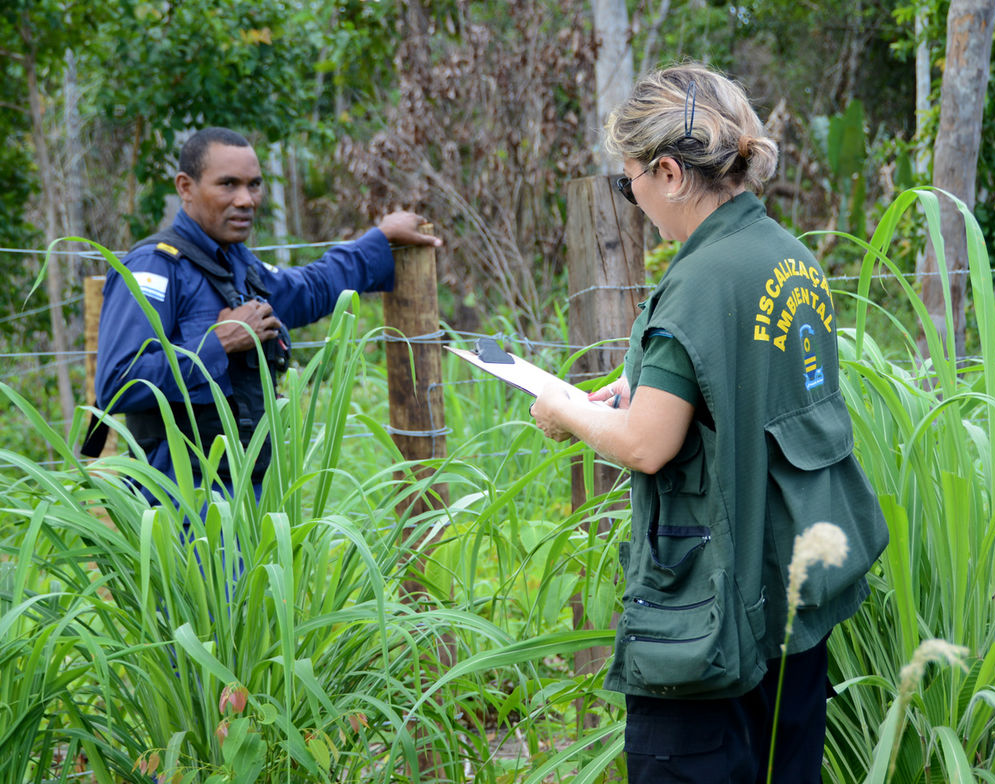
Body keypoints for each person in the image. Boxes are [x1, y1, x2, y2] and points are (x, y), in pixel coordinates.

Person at [530, 64, 888, 782]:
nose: (632, 199)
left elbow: (646, 443)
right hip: (790, 611)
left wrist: (565, 410)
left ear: (667, 171)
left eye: (628, 179)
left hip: (707, 621)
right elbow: (748, 382)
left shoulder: (698, 280)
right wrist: (641, 382)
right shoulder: (789, 257)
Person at [89, 127, 441, 494]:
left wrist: (380, 239)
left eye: (254, 185)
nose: (246, 200)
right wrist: (217, 344)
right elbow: (117, 384)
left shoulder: (240, 266)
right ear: (185, 187)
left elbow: (310, 289)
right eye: (228, 184)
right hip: (179, 502)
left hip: (248, 492)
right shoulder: (155, 266)